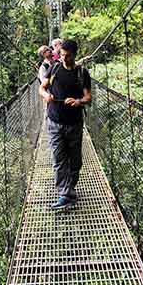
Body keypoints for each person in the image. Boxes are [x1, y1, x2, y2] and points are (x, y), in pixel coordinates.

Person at [39, 39, 92, 210]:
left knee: (75, 161)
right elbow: (42, 87)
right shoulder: (54, 68)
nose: (64, 59)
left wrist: (78, 101)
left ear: (75, 55)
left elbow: (88, 97)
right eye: (62, 55)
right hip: (54, 121)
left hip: (74, 124)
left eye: (68, 56)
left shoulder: (82, 73)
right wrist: (45, 95)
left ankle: (69, 189)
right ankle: (65, 194)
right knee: (59, 159)